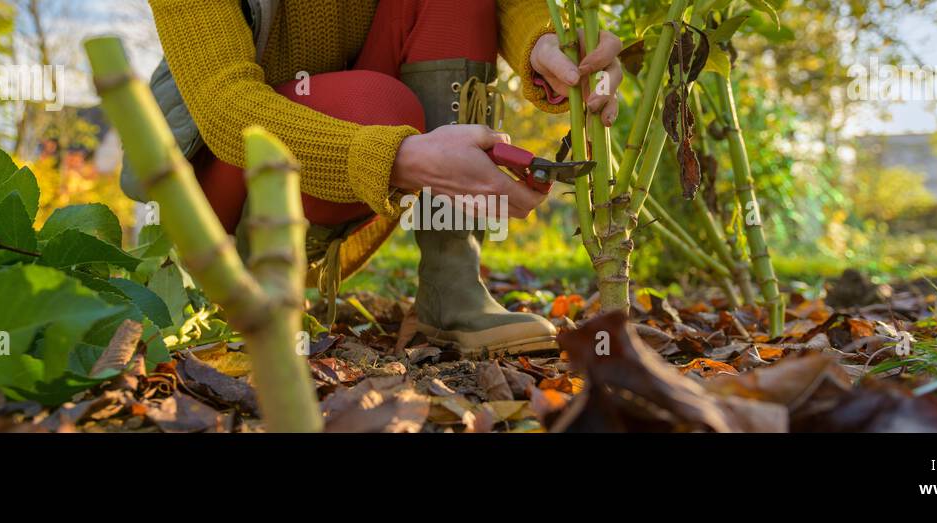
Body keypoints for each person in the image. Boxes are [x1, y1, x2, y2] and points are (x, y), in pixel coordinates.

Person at [125, 0, 623, 356]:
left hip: (350, 155)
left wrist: (546, 44)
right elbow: (223, 107)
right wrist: (397, 157)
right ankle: (253, 274)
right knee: (380, 108)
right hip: (225, 181)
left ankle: (451, 287)